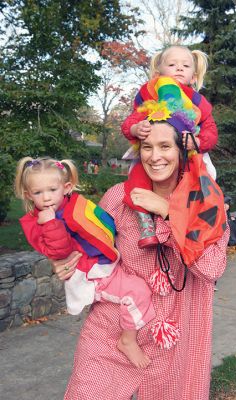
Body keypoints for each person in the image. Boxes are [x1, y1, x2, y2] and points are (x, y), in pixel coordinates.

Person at [51, 118, 229, 400]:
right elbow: (89, 245)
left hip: (175, 342)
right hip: (113, 330)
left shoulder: (207, 204)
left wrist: (170, 214)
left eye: (165, 146)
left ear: (182, 152)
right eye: (147, 147)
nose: (155, 156)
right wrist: (67, 261)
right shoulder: (118, 198)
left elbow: (211, 268)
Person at [14, 156, 155, 368]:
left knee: (136, 288)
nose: (46, 198)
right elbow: (59, 251)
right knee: (137, 292)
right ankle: (128, 340)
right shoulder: (44, 220)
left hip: (102, 265)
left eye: (52, 190)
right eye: (38, 192)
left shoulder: (72, 206)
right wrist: (50, 224)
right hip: (91, 275)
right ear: (28, 195)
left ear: (66, 187)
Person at [121, 45, 218, 248]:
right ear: (159, 73)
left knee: (202, 179)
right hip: (154, 154)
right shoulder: (151, 98)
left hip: (190, 155)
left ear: (193, 76)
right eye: (172, 64)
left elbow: (211, 131)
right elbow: (130, 122)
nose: (179, 68)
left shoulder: (197, 103)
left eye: (185, 65)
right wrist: (137, 128)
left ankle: (198, 215)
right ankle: (145, 222)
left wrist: (198, 142)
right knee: (137, 179)